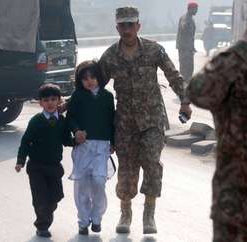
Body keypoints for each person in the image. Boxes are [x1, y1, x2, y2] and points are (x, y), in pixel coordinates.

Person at [98, 7, 192, 234]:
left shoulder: (154, 50)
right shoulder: (110, 56)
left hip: (152, 120)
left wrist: (185, 101)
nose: (127, 29)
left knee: (151, 164)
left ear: (138, 26)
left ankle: (149, 214)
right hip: (124, 124)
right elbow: (93, 87)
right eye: (122, 25)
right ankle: (126, 213)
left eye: (131, 24)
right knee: (127, 169)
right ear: (117, 27)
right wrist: (70, 105)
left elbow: (173, 75)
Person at [187, 32, 247, 242]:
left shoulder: (232, 62)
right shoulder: (234, 62)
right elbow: (196, 91)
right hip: (237, 196)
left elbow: (196, 90)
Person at [15, 84, 73, 238]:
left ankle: (45, 214)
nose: (50, 103)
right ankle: (42, 226)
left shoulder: (62, 120)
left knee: (55, 197)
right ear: (40, 103)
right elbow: (26, 141)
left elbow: (67, 139)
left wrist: (77, 141)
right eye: (46, 100)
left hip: (54, 167)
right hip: (36, 167)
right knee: (40, 198)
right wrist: (20, 160)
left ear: (59, 101)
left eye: (53, 99)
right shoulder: (36, 121)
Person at [66, 60, 115, 235]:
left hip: (102, 146)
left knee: (99, 182)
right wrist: (76, 131)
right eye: (85, 78)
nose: (90, 81)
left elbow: (112, 121)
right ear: (80, 81)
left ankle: (97, 218)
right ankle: (83, 221)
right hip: (83, 147)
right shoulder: (77, 96)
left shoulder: (108, 97)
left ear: (99, 78)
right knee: (82, 186)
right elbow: (69, 117)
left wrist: (113, 142)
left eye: (93, 77)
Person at [176, 2, 198, 83]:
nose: (196, 11)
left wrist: (192, 47)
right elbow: (184, 27)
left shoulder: (190, 18)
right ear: (190, 9)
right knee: (185, 68)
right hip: (184, 48)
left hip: (188, 48)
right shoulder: (186, 18)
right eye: (195, 9)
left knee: (189, 68)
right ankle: (183, 86)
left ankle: (186, 85)